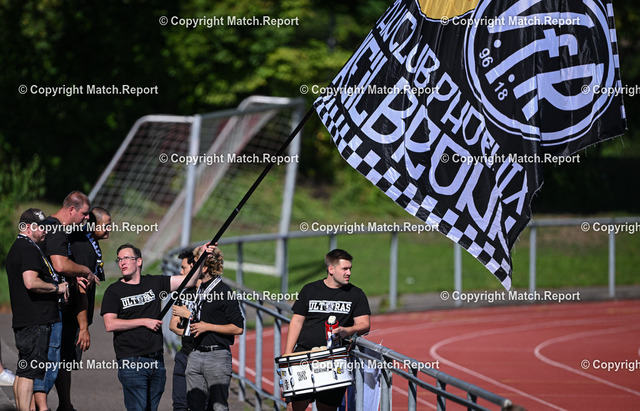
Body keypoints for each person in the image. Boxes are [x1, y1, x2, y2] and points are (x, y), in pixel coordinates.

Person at [101, 243, 209, 411]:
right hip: (132, 361)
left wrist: (201, 256)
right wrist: (144, 321)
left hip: (156, 361)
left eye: (126, 258)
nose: (122, 262)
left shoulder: (154, 282)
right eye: (119, 259)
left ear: (139, 261)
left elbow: (190, 281)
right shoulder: (114, 291)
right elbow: (110, 324)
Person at [284, 249, 371, 411]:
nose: (349, 273)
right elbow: (296, 321)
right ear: (331, 269)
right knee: (294, 406)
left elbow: (364, 324)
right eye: (344, 269)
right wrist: (288, 354)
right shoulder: (310, 289)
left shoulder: (356, 294)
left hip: (335, 359)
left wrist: (347, 330)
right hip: (304, 355)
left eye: (350, 268)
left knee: (327, 407)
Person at [36, 191, 97, 411]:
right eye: (84, 213)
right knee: (48, 365)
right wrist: (85, 270)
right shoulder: (55, 228)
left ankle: (59, 406)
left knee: (50, 364)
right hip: (49, 309)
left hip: (49, 308)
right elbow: (60, 265)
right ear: (71, 209)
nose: (87, 218)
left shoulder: (51, 227)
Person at [5, 209, 69, 411]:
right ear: (28, 227)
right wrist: (57, 288)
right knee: (30, 372)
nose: (45, 231)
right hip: (35, 321)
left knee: (24, 370)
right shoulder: (29, 249)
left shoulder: (19, 247)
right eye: (41, 227)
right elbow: (31, 282)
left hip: (26, 320)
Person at [54, 207, 111, 411]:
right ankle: (64, 405)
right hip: (72, 314)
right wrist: (84, 326)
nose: (109, 229)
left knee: (66, 361)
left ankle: (65, 405)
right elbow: (80, 290)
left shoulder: (89, 241)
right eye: (106, 225)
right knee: (64, 360)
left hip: (74, 313)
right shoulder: (84, 247)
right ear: (93, 225)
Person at [185, 245, 244, 411]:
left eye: (195, 263)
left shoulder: (224, 291)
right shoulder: (199, 289)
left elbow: (238, 327)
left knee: (218, 407)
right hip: (195, 354)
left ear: (204, 268)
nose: (191, 266)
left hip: (217, 357)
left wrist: (207, 327)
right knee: (194, 407)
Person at [168, 249, 201, 411]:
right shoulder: (183, 294)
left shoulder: (212, 294)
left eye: (184, 268)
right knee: (179, 405)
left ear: (195, 267)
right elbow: (173, 325)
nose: (181, 272)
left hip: (204, 357)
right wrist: (190, 332)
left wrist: (189, 318)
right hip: (185, 354)